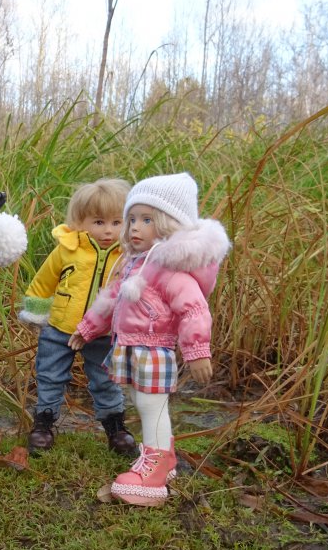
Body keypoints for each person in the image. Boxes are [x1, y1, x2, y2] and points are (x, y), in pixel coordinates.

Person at [69, 171, 231, 506]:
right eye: (131, 219)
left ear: (169, 225)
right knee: (142, 402)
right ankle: (163, 458)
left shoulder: (169, 270)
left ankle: (154, 469)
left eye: (146, 220)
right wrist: (88, 328)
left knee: (150, 405)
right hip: (131, 345)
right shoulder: (137, 263)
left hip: (153, 348)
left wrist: (197, 350)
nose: (134, 228)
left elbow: (193, 309)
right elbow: (112, 298)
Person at [19, 178, 137, 455]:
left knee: (105, 379)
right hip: (61, 328)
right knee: (50, 375)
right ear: (80, 221)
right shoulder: (68, 249)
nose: (108, 230)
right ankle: (44, 424)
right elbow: (43, 282)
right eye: (98, 222)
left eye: (116, 222)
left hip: (104, 332)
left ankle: (115, 427)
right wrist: (36, 315)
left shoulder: (127, 256)